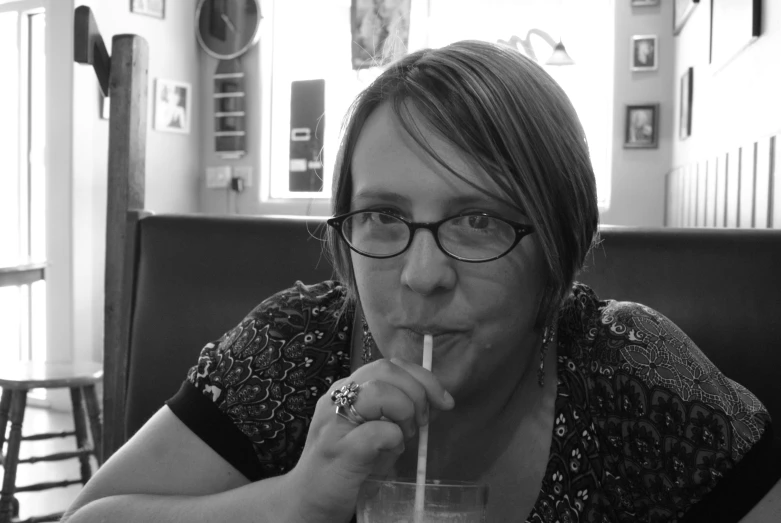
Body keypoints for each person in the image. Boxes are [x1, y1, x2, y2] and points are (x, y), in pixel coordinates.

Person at [62, 40, 778, 523]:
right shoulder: (295, 348)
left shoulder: (631, 370)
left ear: (558, 246)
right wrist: (293, 500)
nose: (421, 274)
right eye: (381, 215)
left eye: (478, 221)